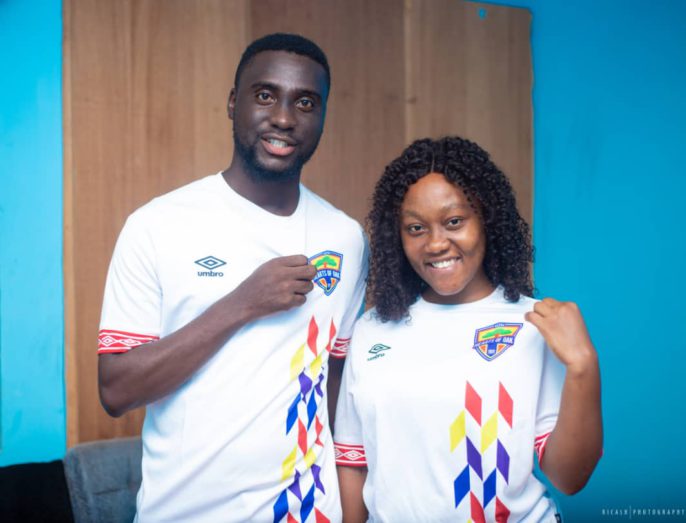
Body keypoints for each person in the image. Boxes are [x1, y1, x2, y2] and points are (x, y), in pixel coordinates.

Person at [97, 33, 367, 522]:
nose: (284, 117)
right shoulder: (158, 225)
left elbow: (336, 383)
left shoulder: (345, 238)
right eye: (265, 95)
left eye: (305, 102)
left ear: (322, 117)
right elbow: (116, 390)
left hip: (309, 512)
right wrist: (241, 303)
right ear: (232, 102)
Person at [334, 137, 602, 522]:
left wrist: (583, 366)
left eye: (454, 221)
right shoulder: (372, 331)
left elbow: (570, 477)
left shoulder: (533, 325)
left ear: (487, 219)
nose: (436, 243)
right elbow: (353, 462)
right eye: (415, 228)